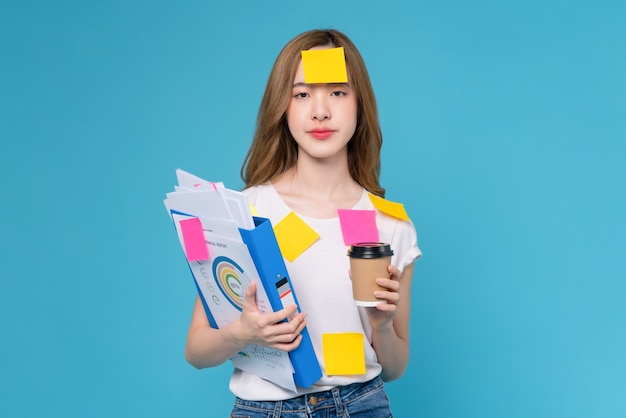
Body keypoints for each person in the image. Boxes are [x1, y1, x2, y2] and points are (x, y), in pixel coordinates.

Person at [184, 29, 421, 417]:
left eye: (338, 92)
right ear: (282, 106)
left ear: (361, 104)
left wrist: (381, 325)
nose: (320, 111)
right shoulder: (244, 212)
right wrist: (242, 333)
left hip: (361, 406)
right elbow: (196, 351)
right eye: (302, 93)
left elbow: (394, 368)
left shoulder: (389, 225)